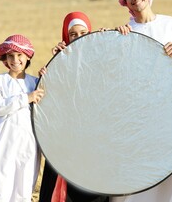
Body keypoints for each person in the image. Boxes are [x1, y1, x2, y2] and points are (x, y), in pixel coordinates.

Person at [38, 11, 109, 202]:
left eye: (83, 33)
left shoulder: (100, 57)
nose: (78, 38)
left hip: (95, 137)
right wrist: (51, 68)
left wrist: (108, 44)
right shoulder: (61, 61)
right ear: (66, 37)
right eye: (73, 34)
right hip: (66, 138)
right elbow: (48, 97)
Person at [0, 34, 44, 202]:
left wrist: (46, 76)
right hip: (2, 145)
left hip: (28, 146)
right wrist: (26, 98)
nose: (15, 60)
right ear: (5, 59)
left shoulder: (35, 83)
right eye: (10, 56)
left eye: (20, 55)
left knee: (22, 190)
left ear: (28, 57)